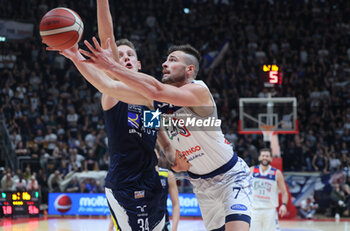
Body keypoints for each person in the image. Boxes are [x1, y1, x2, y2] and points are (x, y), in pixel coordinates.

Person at [78, 38, 252, 230]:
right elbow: (108, 87)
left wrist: (112, 66)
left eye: (172, 59)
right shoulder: (155, 108)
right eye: (166, 60)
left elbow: (155, 90)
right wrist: (73, 54)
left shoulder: (199, 90)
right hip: (201, 185)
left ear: (189, 70)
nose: (164, 63)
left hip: (231, 176)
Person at [46, 0, 167, 229]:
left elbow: (155, 133)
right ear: (111, 63)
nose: (126, 58)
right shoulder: (114, 92)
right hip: (127, 184)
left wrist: (169, 150)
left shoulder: (151, 99)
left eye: (131, 55)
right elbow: (107, 38)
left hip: (152, 182)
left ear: (139, 64)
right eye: (120, 56)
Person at [250, 148, 289, 231]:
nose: (265, 158)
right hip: (254, 210)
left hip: (270, 210)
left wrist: (284, 205)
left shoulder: (277, 173)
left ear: (271, 158)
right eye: (263, 156)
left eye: (267, 156)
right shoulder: (252, 170)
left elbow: (284, 192)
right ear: (259, 158)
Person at [155, 148, 180, 231]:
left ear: (158, 155)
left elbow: (176, 204)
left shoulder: (168, 175)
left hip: (164, 223)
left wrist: (174, 229)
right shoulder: (139, 176)